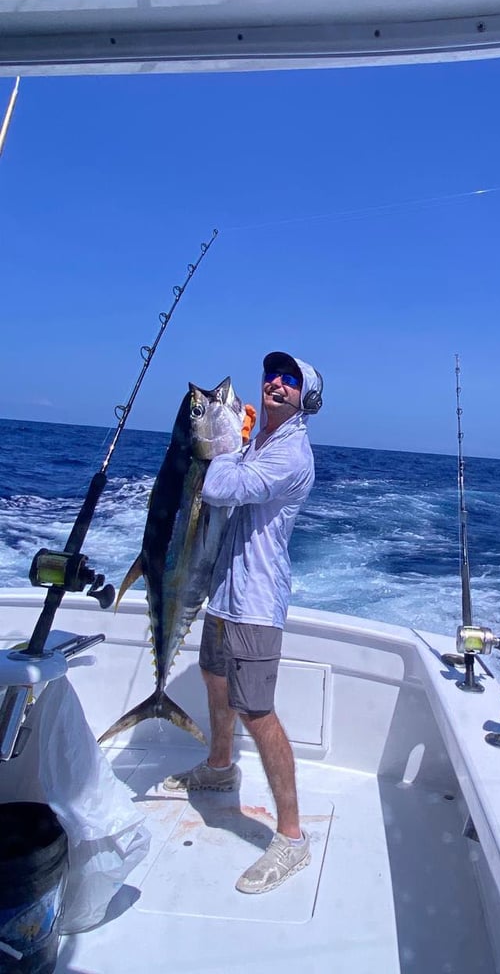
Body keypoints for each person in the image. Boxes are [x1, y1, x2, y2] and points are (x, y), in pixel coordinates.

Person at [163, 351, 323, 894]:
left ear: (308, 398)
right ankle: (220, 765)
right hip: (222, 593)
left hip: (255, 602)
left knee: (257, 711)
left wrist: (223, 444)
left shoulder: (292, 455)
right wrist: (238, 440)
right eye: (273, 375)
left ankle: (293, 838)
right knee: (213, 677)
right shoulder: (258, 442)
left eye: (291, 380)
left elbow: (219, 488)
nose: (276, 383)